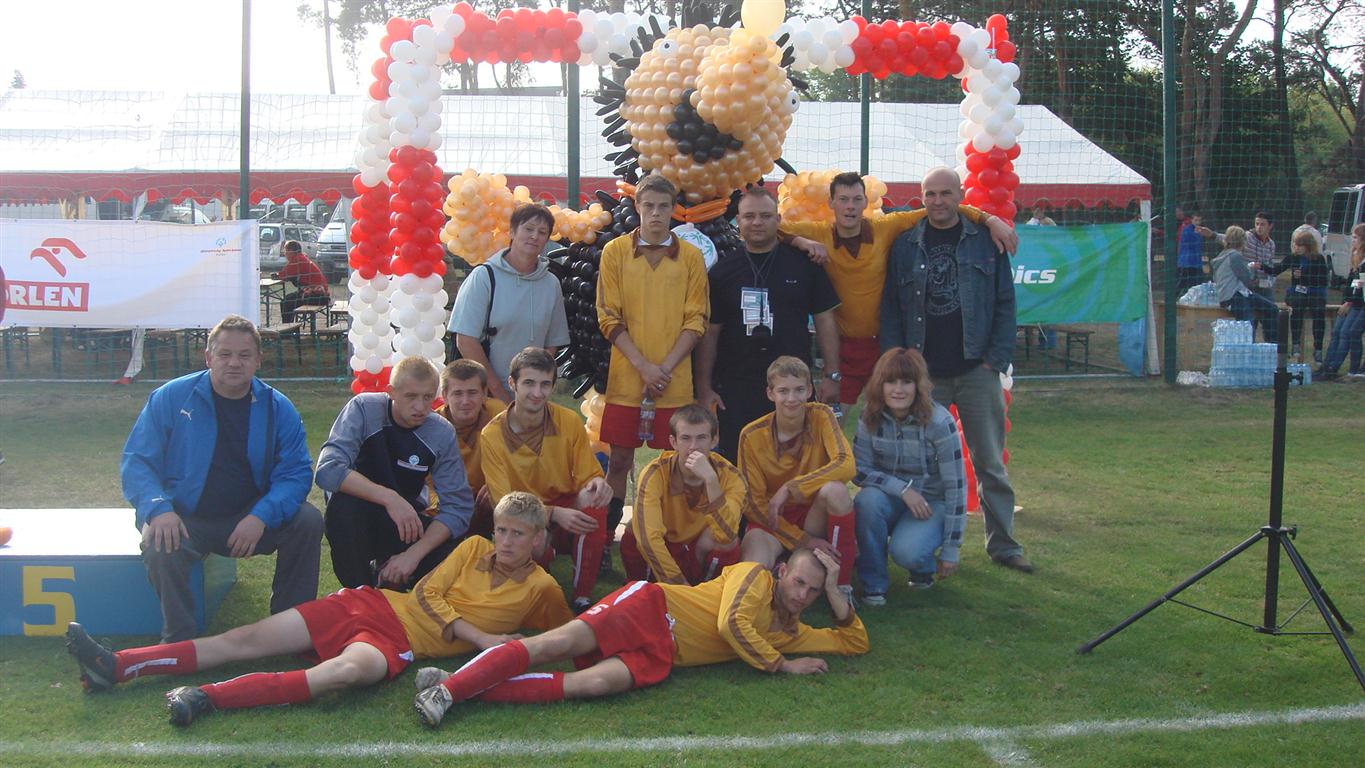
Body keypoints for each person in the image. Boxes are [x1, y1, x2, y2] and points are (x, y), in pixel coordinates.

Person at [64, 492, 573, 726]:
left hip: (397, 644)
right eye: (502, 529)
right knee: (243, 639)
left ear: (537, 539)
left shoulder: (542, 588)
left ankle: (206, 698)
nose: (506, 541)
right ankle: (117, 666)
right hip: (371, 603)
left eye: (518, 534)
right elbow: (426, 594)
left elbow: (565, 636)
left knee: (342, 674)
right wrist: (481, 639)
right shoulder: (472, 547)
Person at [412, 547, 867, 727]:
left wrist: (835, 589)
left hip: (664, 652)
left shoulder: (791, 631)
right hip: (652, 607)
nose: (802, 594)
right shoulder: (754, 577)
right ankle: (448, 692)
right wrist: (781, 665)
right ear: (782, 571)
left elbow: (853, 642)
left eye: (812, 590)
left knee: (593, 684)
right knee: (555, 645)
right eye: (799, 582)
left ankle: (456, 685)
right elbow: (731, 625)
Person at [122, 314, 321, 643]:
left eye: (244, 355)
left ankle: (289, 628)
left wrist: (260, 516)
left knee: (308, 521)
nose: (234, 363)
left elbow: (295, 473)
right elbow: (138, 461)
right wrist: (158, 509)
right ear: (208, 357)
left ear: (258, 360)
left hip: (249, 517)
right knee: (159, 540)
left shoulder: (278, 407)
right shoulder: (171, 397)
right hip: (186, 516)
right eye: (225, 354)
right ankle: (180, 639)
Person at [881, 167, 1033, 573]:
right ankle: (917, 546)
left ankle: (1004, 546)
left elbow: (1005, 302)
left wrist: (994, 360)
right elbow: (891, 307)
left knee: (990, 463)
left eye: (946, 193)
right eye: (930, 194)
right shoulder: (905, 244)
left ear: (960, 195)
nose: (938, 201)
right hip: (924, 376)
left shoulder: (984, 240)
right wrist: (899, 366)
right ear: (921, 197)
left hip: (976, 370)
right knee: (918, 465)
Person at [777, 172, 1018, 410]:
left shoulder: (886, 227)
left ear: (865, 202)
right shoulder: (817, 233)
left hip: (884, 346)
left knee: (892, 422)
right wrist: (800, 241)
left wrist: (989, 220)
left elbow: (940, 208)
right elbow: (770, 227)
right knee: (832, 421)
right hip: (843, 349)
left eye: (857, 199)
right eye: (843, 199)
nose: (850, 206)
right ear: (831, 203)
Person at [596, 173, 710, 563]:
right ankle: (605, 541)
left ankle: (670, 543)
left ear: (673, 210)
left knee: (675, 466)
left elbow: (697, 319)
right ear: (637, 207)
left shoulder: (691, 257)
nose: (656, 214)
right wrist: (644, 367)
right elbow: (608, 316)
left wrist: (664, 368)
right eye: (649, 206)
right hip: (627, 379)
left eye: (664, 206)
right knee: (619, 461)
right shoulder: (614, 252)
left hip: (674, 383)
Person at [696, 185, 842, 460]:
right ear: (737, 221)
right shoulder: (722, 272)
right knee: (740, 462)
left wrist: (832, 375)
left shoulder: (805, 265)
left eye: (765, 216)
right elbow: (710, 333)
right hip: (737, 387)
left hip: (792, 386)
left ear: (778, 219)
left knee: (795, 461)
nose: (757, 222)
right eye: (749, 216)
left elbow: (825, 320)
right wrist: (704, 387)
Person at [316, 356, 474, 590]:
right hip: (358, 515)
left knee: (458, 552)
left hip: (407, 523)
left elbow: (458, 508)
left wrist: (414, 554)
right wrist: (390, 499)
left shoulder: (441, 432)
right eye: (411, 397)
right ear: (391, 392)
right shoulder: (364, 408)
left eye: (428, 397)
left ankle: (396, 583)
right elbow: (327, 470)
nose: (420, 407)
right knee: (343, 506)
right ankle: (362, 592)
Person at [480, 347, 613, 612]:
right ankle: (538, 565)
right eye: (529, 383)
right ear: (512, 383)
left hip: (565, 504)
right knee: (536, 548)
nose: (537, 393)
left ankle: (582, 596)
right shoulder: (492, 434)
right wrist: (551, 514)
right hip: (522, 513)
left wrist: (598, 483)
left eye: (545, 385)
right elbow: (503, 504)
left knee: (595, 500)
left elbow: (588, 475)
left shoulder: (569, 420)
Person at [852, 348, 966, 606]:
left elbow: (957, 488)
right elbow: (859, 470)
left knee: (907, 552)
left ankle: (922, 567)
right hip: (890, 499)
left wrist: (951, 549)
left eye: (906, 382)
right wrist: (902, 490)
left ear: (919, 385)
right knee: (866, 501)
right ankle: (873, 586)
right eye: (890, 382)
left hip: (931, 504)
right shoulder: (869, 416)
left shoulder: (940, 422)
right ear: (879, 385)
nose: (898, 390)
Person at [736, 356, 857, 599]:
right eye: (783, 391)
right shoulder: (751, 435)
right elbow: (753, 504)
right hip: (773, 519)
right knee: (752, 571)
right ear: (770, 394)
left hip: (812, 512)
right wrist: (802, 540)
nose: (791, 398)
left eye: (799, 390)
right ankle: (771, 587)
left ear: (810, 390)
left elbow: (846, 464)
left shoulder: (822, 415)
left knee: (836, 491)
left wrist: (791, 488)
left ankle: (841, 587)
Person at [447, 204, 570, 402]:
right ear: (512, 232)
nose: (534, 236)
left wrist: (534, 387)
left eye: (542, 232)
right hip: (485, 396)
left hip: (531, 399)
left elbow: (552, 343)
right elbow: (465, 340)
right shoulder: (484, 277)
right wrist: (498, 391)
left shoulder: (551, 284)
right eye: (528, 229)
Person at [619, 404, 744, 586]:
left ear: (714, 440)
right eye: (685, 438)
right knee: (635, 528)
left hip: (697, 551)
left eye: (701, 438)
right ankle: (642, 587)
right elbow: (649, 538)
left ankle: (709, 592)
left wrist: (711, 481)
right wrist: (677, 583)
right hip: (665, 551)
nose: (693, 447)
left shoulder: (731, 476)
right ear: (673, 442)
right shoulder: (655, 474)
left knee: (727, 542)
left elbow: (727, 534)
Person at [429, 359, 506, 538]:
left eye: (472, 393)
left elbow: (516, 460)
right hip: (448, 501)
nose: (465, 401)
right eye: (457, 393)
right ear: (445, 395)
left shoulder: (499, 415)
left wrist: (496, 484)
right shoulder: (431, 427)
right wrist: (449, 504)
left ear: (484, 393)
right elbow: (425, 485)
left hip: (488, 496)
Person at [1270, 228, 1331, 363]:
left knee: (1319, 312)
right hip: (1298, 292)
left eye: (1299, 245)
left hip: (1315, 292)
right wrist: (1261, 267)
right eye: (1295, 245)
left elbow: (1322, 280)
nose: (1296, 248)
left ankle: (1318, 348)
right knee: (1297, 306)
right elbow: (1276, 270)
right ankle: (1295, 343)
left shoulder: (1319, 259)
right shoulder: (1293, 257)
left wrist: (1304, 275)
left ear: (1308, 246)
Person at [1211, 226, 1280, 342]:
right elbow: (1247, 278)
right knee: (1248, 323)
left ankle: (1271, 346)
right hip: (1234, 296)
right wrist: (1251, 269)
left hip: (1238, 294)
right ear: (1243, 241)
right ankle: (1250, 347)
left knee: (1272, 308)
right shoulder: (1234, 256)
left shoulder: (1223, 255)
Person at [1317, 223, 1365, 380]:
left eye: (1356, 237)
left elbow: (1360, 287)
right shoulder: (1355, 257)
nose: (1352, 240)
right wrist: (1346, 301)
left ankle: (1340, 368)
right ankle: (1327, 366)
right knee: (1337, 332)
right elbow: (1351, 283)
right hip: (1351, 302)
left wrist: (1349, 302)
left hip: (1358, 304)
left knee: (1349, 333)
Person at [275, 240, 331, 324]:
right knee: (289, 298)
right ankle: (290, 327)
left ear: (291, 251)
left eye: (285, 251)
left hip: (317, 296)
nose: (284, 253)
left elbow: (283, 275)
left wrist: (275, 275)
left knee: (286, 302)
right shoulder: (301, 257)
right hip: (320, 295)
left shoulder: (297, 259)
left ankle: (288, 328)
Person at [1176, 210, 1212, 295]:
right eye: (1196, 220)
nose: (1197, 222)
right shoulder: (1187, 230)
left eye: (1199, 220)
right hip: (1187, 263)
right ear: (1192, 220)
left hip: (1196, 263)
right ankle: (1173, 298)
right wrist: (1197, 234)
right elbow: (1190, 243)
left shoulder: (1199, 231)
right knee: (1182, 283)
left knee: (1196, 283)